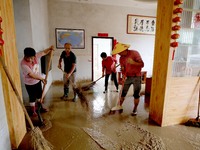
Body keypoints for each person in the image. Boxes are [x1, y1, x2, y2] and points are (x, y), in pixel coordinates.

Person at [20, 46, 54, 123]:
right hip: (29, 83)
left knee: (39, 95)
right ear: (25, 56)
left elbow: (44, 52)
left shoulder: (35, 56)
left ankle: (40, 107)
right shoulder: (23, 64)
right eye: (29, 58)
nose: (31, 60)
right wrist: (42, 78)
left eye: (32, 58)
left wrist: (49, 48)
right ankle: (33, 111)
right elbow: (31, 75)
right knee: (32, 97)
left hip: (37, 82)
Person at [112, 43, 144, 116]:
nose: (119, 54)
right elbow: (123, 69)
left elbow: (142, 64)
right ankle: (119, 106)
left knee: (136, 94)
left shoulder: (134, 53)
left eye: (119, 52)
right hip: (127, 77)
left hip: (137, 76)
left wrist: (133, 62)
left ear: (124, 50)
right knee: (122, 93)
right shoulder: (121, 58)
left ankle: (135, 109)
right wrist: (123, 72)